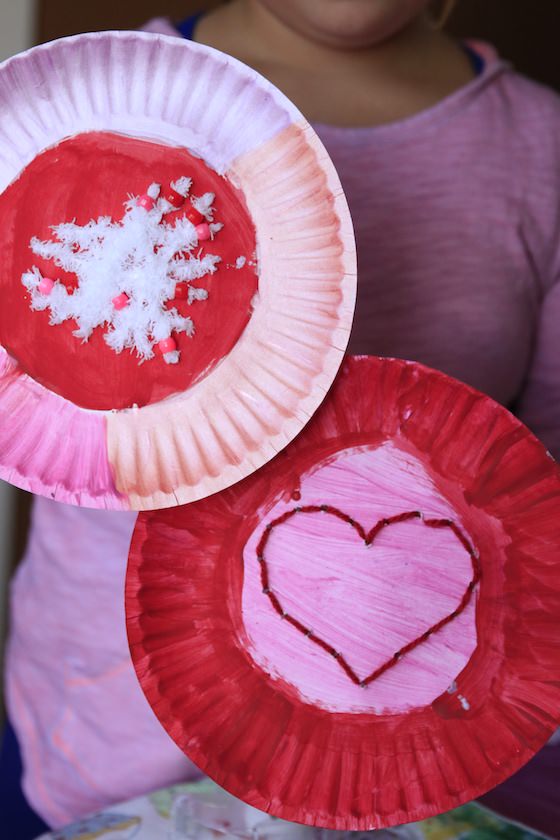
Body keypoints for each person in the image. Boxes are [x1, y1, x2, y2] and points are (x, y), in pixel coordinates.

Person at [4, 1, 560, 837]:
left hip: (419, 762)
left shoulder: (539, 148)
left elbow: (542, 492)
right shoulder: (87, 103)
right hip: (99, 741)